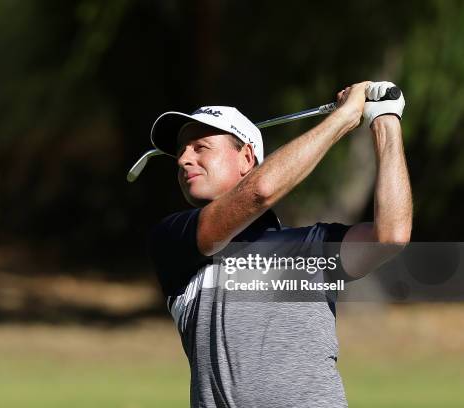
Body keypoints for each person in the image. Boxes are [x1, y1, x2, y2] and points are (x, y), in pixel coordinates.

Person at [147, 81, 413, 407]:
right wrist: (342, 118)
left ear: (246, 158)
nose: (182, 159)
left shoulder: (310, 247)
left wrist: (385, 118)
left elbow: (391, 235)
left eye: (200, 147)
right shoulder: (175, 240)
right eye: (181, 150)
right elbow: (260, 191)